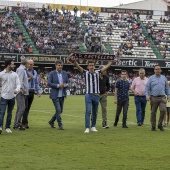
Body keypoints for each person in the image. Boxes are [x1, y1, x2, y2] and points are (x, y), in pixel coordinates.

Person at [69, 57, 114, 133]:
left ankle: (93, 126)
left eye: (92, 65)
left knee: (95, 112)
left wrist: (111, 62)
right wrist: (75, 62)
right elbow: (79, 67)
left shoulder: (98, 72)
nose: (91, 67)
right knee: (88, 111)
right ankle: (87, 127)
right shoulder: (85, 73)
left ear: (94, 66)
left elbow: (106, 67)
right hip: (89, 95)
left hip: (96, 95)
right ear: (87, 66)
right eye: (89, 65)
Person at [145, 65, 170, 131]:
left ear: (161, 70)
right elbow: (147, 88)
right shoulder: (151, 78)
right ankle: (153, 126)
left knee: (163, 110)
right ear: (154, 70)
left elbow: (167, 88)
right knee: (153, 112)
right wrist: (147, 95)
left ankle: (160, 124)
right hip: (154, 97)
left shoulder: (164, 78)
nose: (157, 70)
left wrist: (169, 95)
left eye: (159, 69)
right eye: (156, 69)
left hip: (162, 97)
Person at [48, 60, 70, 130]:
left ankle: (51, 121)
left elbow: (68, 82)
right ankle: (60, 125)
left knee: (60, 111)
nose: (60, 66)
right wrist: (58, 85)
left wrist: (66, 85)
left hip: (62, 94)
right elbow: (49, 83)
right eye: (59, 65)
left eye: (61, 65)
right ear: (56, 66)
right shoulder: (52, 73)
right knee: (58, 109)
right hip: (55, 95)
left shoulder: (64, 73)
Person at [0, 59, 20, 134]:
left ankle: (7, 127)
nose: (13, 65)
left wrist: (17, 89)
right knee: (2, 112)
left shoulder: (15, 74)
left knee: (9, 112)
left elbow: (18, 84)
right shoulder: (1, 74)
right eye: (12, 64)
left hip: (12, 96)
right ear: (8, 65)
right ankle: (0, 126)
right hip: (4, 96)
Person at [22, 59, 41, 129]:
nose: (30, 65)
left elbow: (36, 83)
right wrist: (30, 78)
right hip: (25, 91)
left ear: (33, 65)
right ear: (26, 64)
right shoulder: (24, 71)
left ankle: (25, 122)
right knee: (25, 108)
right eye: (29, 64)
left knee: (28, 108)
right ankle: (24, 123)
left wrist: (38, 91)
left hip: (32, 91)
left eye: (31, 64)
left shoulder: (34, 72)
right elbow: (22, 81)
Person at [13, 57, 29, 130]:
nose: (29, 65)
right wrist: (22, 88)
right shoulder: (21, 70)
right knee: (22, 108)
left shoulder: (21, 70)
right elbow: (19, 80)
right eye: (28, 63)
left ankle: (16, 124)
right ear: (26, 64)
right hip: (20, 92)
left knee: (20, 108)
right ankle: (17, 124)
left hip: (20, 91)